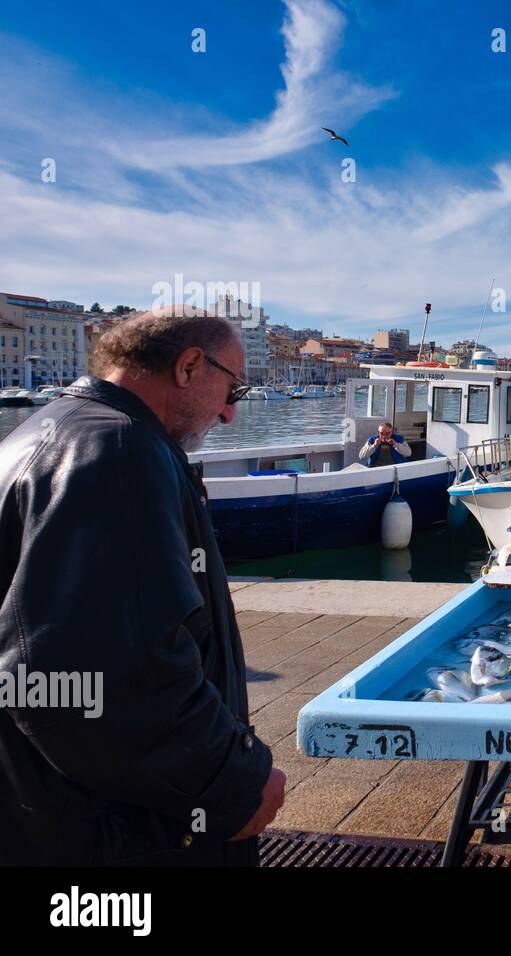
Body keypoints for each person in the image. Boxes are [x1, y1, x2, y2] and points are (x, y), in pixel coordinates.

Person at [0, 308, 285, 865]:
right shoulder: (120, 453)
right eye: (235, 388)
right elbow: (113, 674)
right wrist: (232, 783)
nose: (230, 413)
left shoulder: (43, 433)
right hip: (120, 837)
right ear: (187, 367)